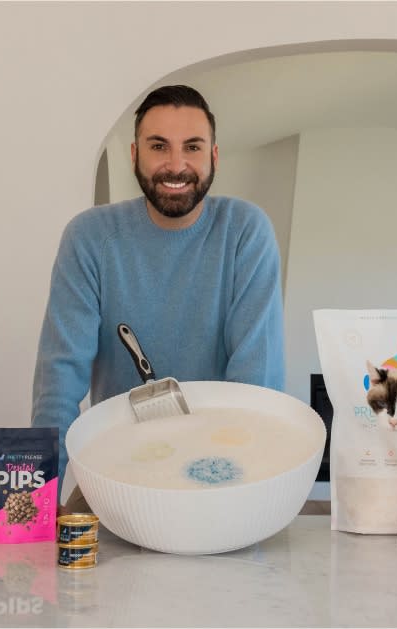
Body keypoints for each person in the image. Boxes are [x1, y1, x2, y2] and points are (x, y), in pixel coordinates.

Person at [31, 85, 285, 502]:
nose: (176, 164)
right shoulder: (90, 238)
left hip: (221, 481)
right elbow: (58, 380)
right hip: (115, 481)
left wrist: (234, 492)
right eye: (158, 146)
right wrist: (40, 498)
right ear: (135, 155)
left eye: (192, 147)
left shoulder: (244, 232)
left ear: (213, 158)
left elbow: (255, 386)